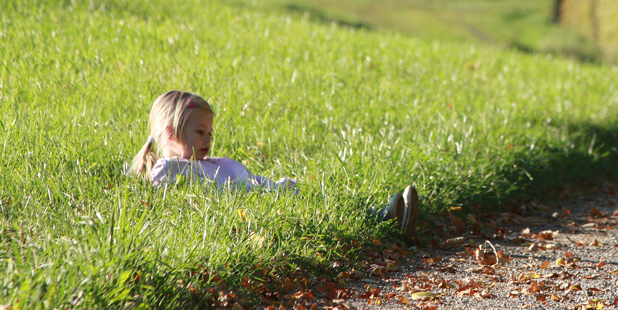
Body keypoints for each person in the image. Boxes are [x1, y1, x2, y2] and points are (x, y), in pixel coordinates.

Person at [126, 90, 418, 237]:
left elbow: (257, 183)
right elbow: (181, 203)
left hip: (270, 201)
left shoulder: (221, 163)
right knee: (314, 217)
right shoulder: (171, 169)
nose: (207, 140)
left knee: (319, 202)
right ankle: (383, 219)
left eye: (210, 133)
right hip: (249, 221)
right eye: (199, 133)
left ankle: (381, 213)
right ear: (170, 133)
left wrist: (279, 188)